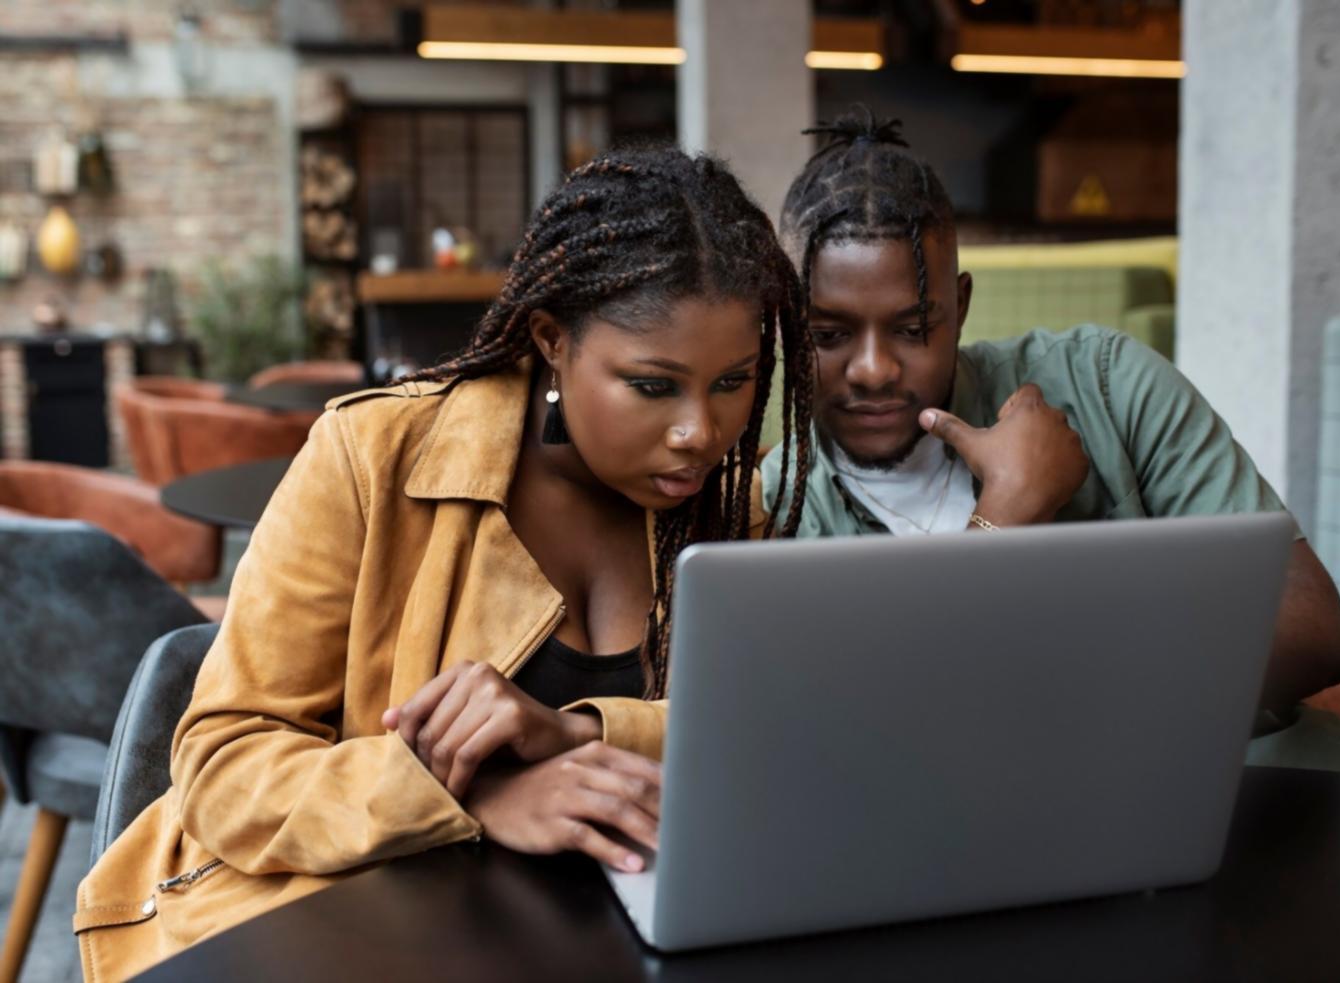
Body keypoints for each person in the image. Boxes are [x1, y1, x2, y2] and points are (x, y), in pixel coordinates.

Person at [76, 147, 813, 982]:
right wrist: (470, 797)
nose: (700, 431)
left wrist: (576, 731)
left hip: (615, 934)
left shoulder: (726, 504)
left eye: (735, 381)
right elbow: (223, 770)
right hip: (366, 931)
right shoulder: (373, 459)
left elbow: (753, 742)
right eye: (652, 385)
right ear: (552, 341)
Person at [760, 108, 1340, 767]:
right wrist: (1004, 517)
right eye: (828, 335)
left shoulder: (1104, 383)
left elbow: (1315, 628)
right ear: (788, 322)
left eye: (913, 329)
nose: (874, 369)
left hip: (1229, 786)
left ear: (959, 308)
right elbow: (875, 735)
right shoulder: (782, 505)